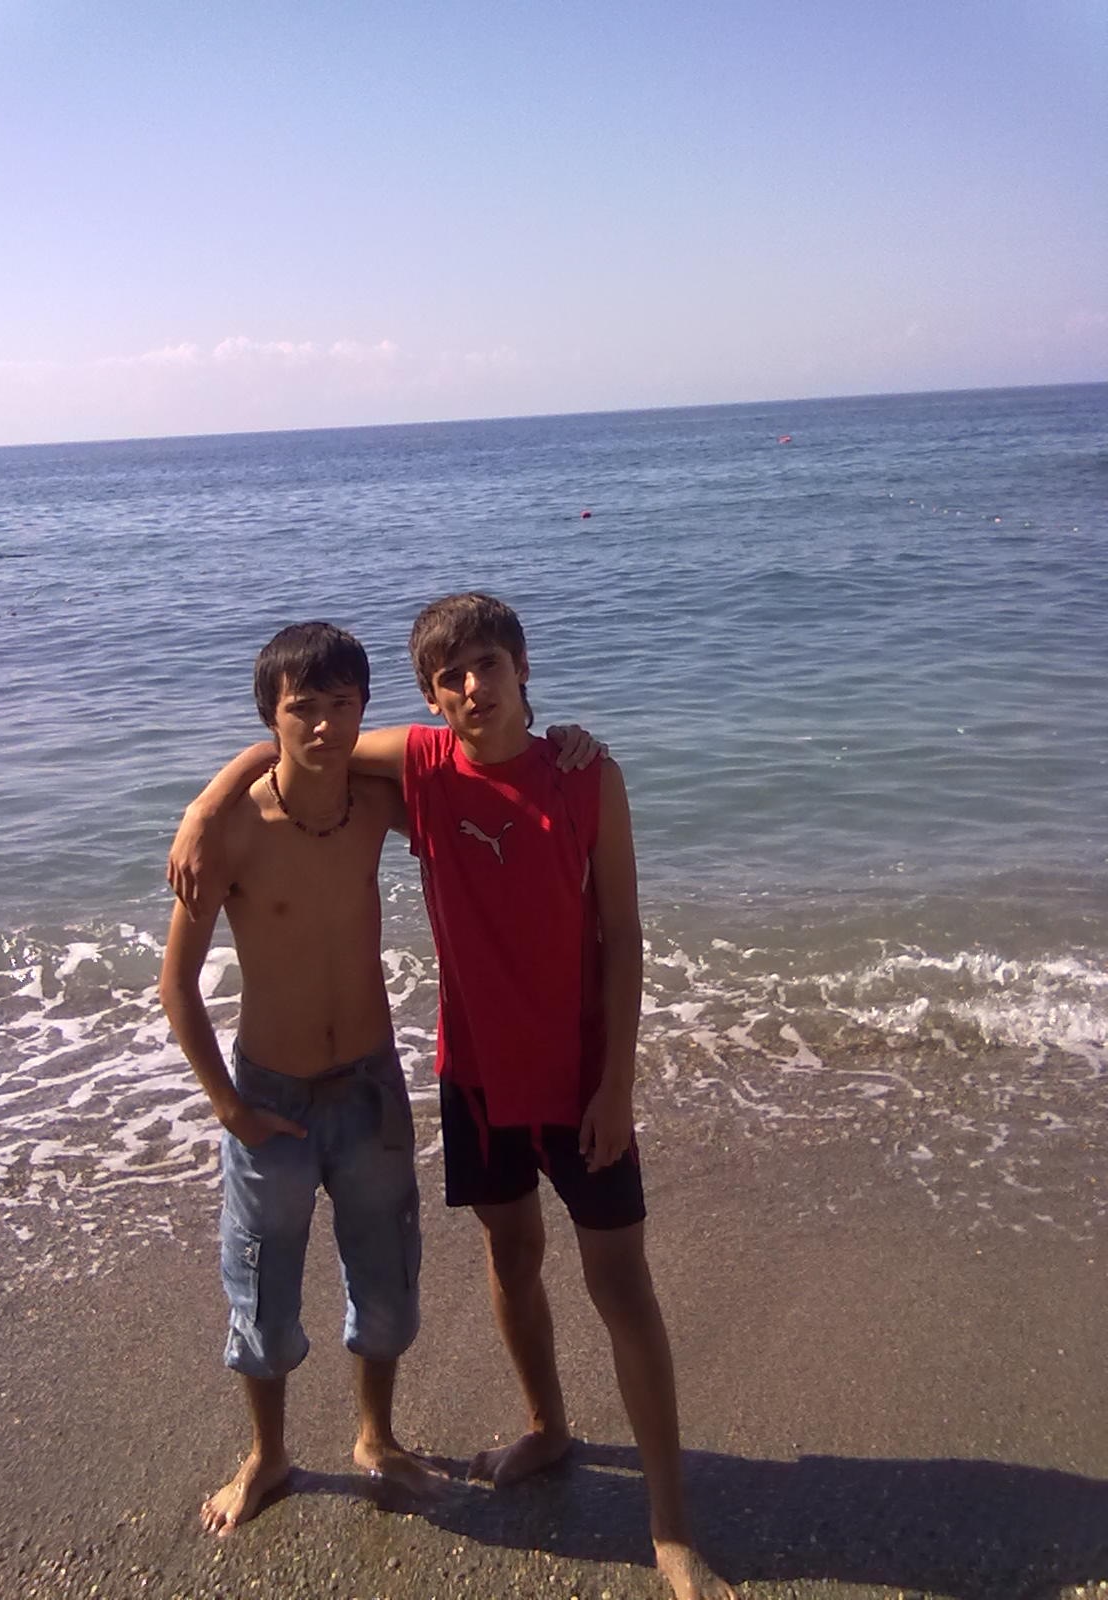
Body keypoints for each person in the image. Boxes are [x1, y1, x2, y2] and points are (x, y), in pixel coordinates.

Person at [169, 596, 734, 1600]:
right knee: (510, 1258)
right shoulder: (424, 767)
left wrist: (617, 1084)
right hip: (472, 1075)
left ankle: (672, 1528)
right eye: (451, 677)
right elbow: (301, 743)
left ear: (523, 668)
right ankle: (547, 1428)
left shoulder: (586, 776)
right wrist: (211, 801)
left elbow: (625, 938)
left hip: (577, 1079)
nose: (474, 688)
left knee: (620, 1287)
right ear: (432, 698)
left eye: (489, 666)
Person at [159, 621, 442, 1538]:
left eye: (341, 705)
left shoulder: (372, 804)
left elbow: (472, 778)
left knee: (388, 1281)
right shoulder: (232, 831)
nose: (323, 725)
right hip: (269, 1095)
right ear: (271, 718)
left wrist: (566, 753)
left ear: (363, 710)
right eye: (301, 709)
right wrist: (228, 1106)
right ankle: (269, 1456)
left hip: (369, 1086)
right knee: (262, 1292)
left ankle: (376, 1437)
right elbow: (176, 985)